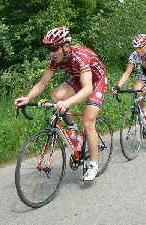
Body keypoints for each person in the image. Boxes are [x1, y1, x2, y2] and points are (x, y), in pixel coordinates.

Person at [14, 26, 108, 181]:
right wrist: (28, 98)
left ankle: (93, 165)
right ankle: (72, 128)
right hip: (79, 79)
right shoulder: (55, 59)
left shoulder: (80, 57)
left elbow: (87, 88)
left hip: (96, 81)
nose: (51, 53)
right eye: (49, 49)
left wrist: (68, 102)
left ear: (66, 47)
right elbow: (43, 83)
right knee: (56, 97)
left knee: (88, 122)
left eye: (54, 49)